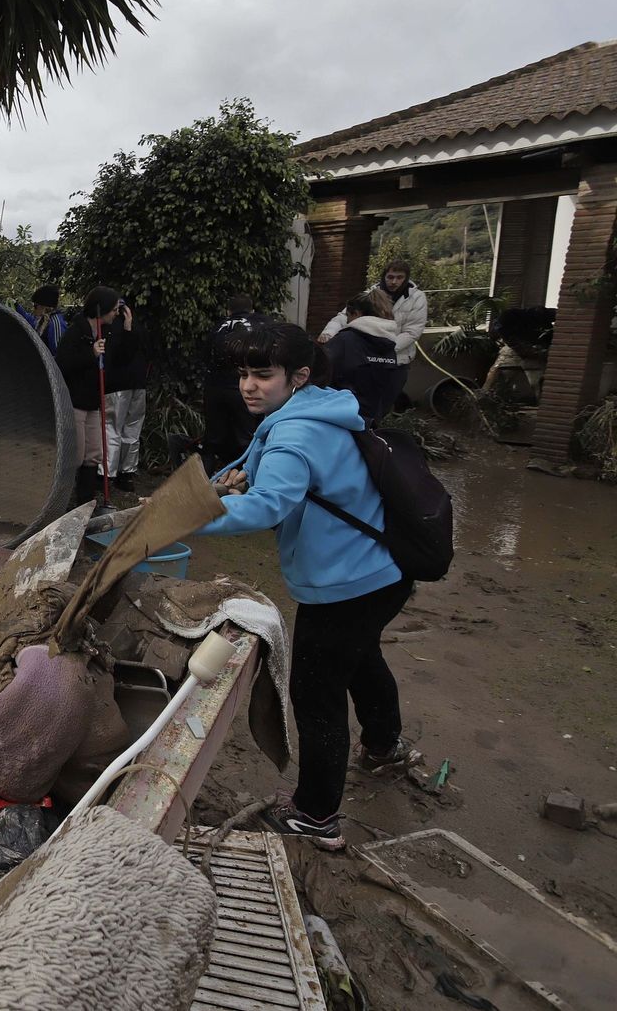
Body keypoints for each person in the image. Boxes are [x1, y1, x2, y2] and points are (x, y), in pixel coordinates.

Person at [197, 322, 420, 850]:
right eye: (243, 374)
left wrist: (188, 516)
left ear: (297, 375)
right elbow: (257, 471)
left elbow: (269, 504)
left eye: (262, 374)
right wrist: (218, 485)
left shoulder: (295, 432)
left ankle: (315, 815)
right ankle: (385, 748)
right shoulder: (317, 406)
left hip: (347, 584)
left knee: (315, 693)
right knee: (361, 659)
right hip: (384, 572)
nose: (249, 385)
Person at [321, 259, 427, 392]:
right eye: (390, 277)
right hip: (365, 360)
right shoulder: (369, 295)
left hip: (397, 360)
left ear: (406, 279)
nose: (394, 282)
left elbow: (412, 331)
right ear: (384, 276)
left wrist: (385, 348)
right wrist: (329, 332)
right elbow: (344, 316)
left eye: (399, 278)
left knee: (385, 399)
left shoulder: (416, 298)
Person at [54, 287, 116, 503]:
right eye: (114, 309)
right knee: (76, 455)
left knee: (94, 453)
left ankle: (86, 501)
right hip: (75, 402)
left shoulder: (103, 332)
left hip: (93, 401)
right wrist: (90, 354)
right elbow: (63, 364)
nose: (116, 313)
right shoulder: (75, 332)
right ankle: (61, 501)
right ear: (104, 308)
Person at [201, 295, 269, 473]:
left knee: (213, 438)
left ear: (228, 311)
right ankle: (244, 479)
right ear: (252, 310)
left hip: (214, 387)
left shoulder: (218, 327)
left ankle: (204, 479)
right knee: (245, 437)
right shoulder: (260, 324)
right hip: (242, 388)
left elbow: (205, 355)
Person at [323, 290, 403, 424]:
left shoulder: (344, 341)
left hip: (340, 418)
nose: (347, 321)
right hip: (370, 422)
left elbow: (319, 374)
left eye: (348, 316)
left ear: (357, 314)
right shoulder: (390, 346)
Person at [101, 294, 151, 493]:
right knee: (132, 428)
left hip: (117, 384)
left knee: (112, 427)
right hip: (138, 382)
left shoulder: (109, 328)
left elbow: (114, 356)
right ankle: (127, 473)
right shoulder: (139, 326)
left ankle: (108, 473)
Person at [15, 284, 66, 353]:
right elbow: (30, 320)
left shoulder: (55, 323)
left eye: (35, 306)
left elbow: (58, 353)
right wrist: (16, 306)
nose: (34, 309)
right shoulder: (43, 319)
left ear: (45, 307)